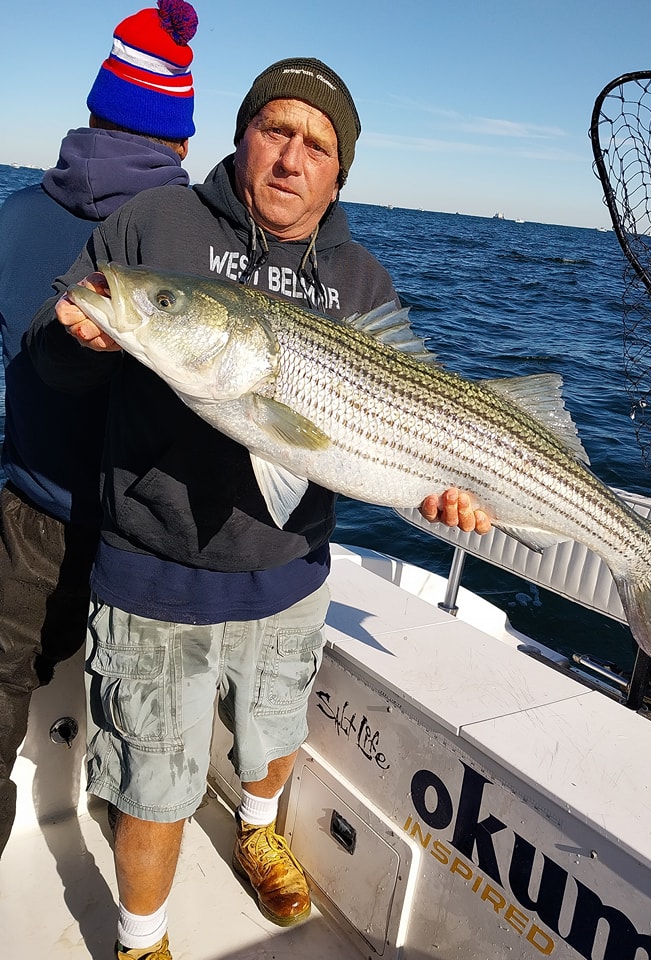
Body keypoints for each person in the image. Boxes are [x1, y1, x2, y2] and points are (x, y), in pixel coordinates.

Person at [28, 56, 489, 960]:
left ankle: (259, 827)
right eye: (276, 129)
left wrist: (440, 495)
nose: (291, 157)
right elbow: (53, 362)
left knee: (274, 736)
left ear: (340, 171)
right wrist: (85, 340)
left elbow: (395, 442)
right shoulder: (153, 223)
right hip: (155, 572)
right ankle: (142, 936)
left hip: (291, 573)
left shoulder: (361, 280)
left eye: (317, 145)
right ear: (243, 135)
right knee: (155, 785)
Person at [0, 0, 198, 863]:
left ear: (90, 113)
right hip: (150, 525)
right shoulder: (196, 246)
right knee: (145, 709)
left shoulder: (10, 217)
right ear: (182, 142)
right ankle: (137, 876)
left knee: (2, 679)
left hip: (30, 507)